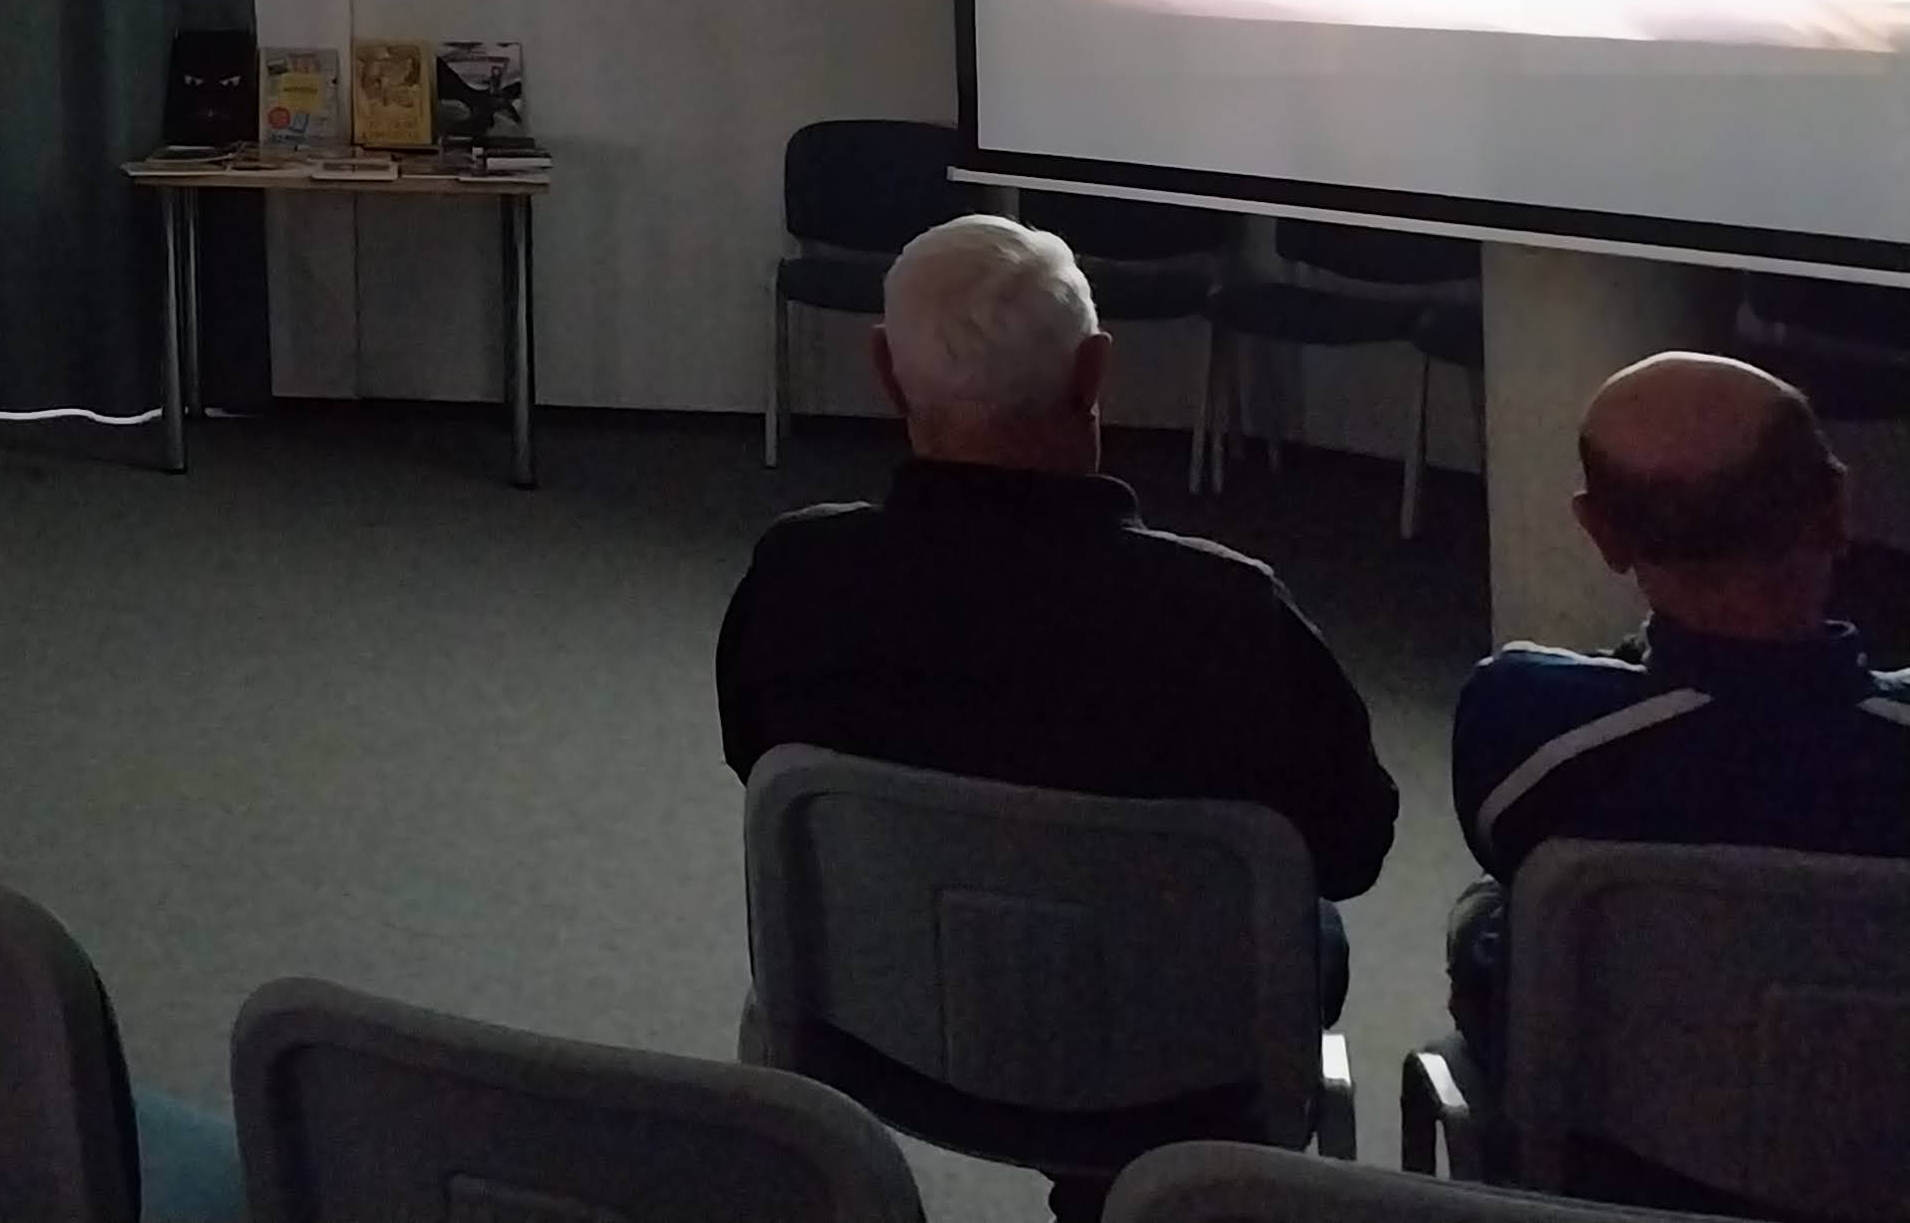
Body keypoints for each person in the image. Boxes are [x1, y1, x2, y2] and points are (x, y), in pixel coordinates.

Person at [717, 210, 1395, 893]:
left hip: (882, 957)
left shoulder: (796, 581)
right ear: (1093, 371)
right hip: (1156, 961)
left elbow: (761, 761)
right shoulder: (1236, 616)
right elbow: (1351, 849)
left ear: (886, 373)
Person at [1444, 352, 1910, 1070]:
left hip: (1602, 1124)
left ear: (1602, 534)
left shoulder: (1520, 722)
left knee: (1493, 906)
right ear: (1837, 508)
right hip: (1880, 1126)